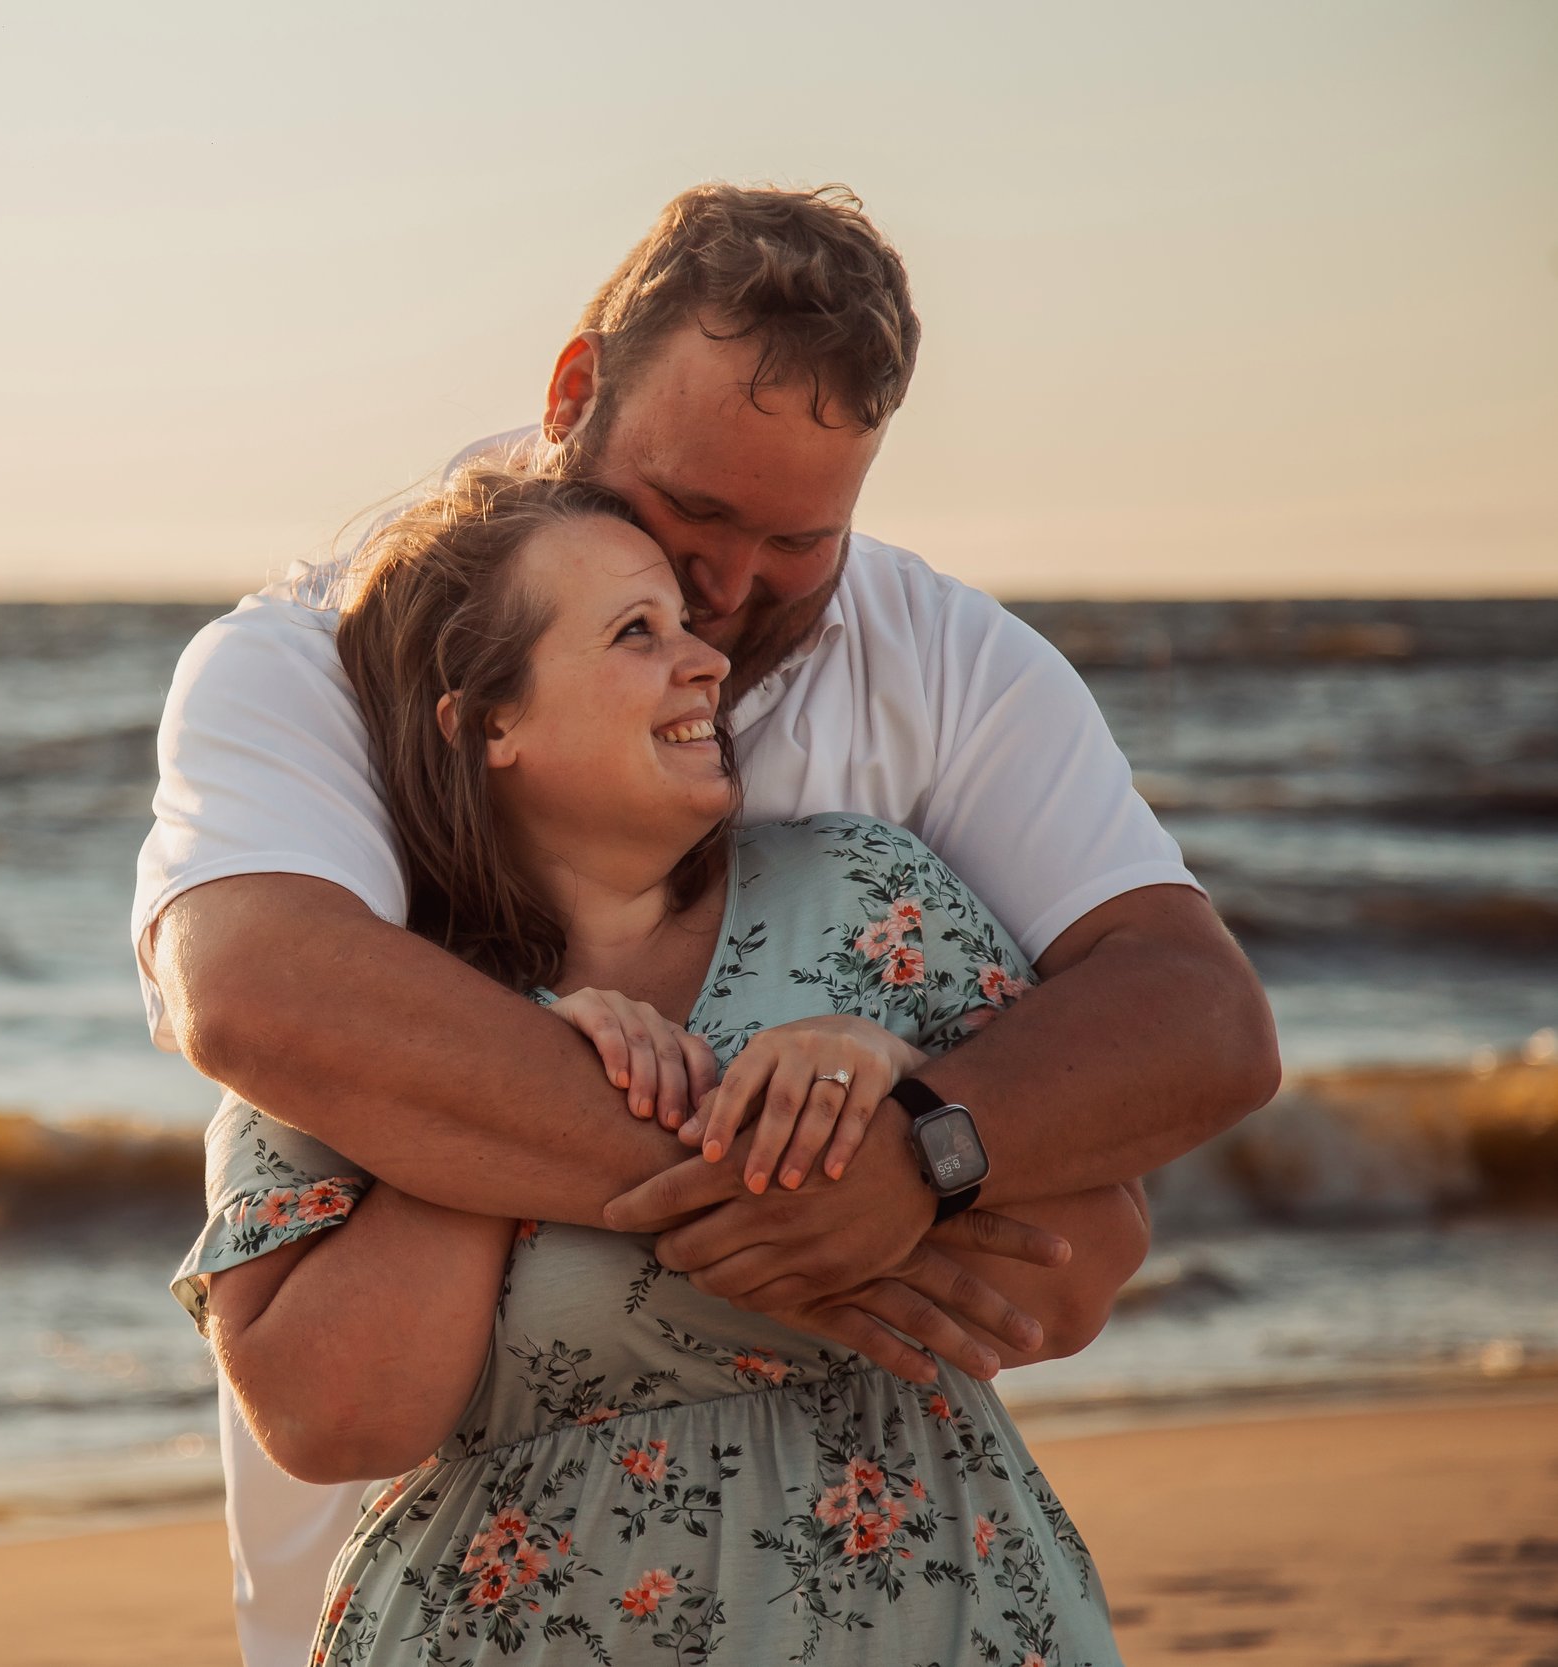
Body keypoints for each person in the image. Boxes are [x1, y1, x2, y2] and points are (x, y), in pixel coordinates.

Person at [136, 183, 1278, 1666]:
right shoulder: (313, 653)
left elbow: (1193, 1020)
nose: (725, 600)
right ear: (573, 394)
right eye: (696, 516)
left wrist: (923, 1145)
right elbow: (265, 993)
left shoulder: (942, 671)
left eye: (801, 537)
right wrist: (806, 1192)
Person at [184, 463, 1145, 1663]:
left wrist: (897, 1079)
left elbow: (1079, 1276)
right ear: (489, 722)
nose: (705, 661)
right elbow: (336, 1418)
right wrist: (512, 1068)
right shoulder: (370, 1003)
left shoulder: (867, 895)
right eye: (637, 633)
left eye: (687, 627)